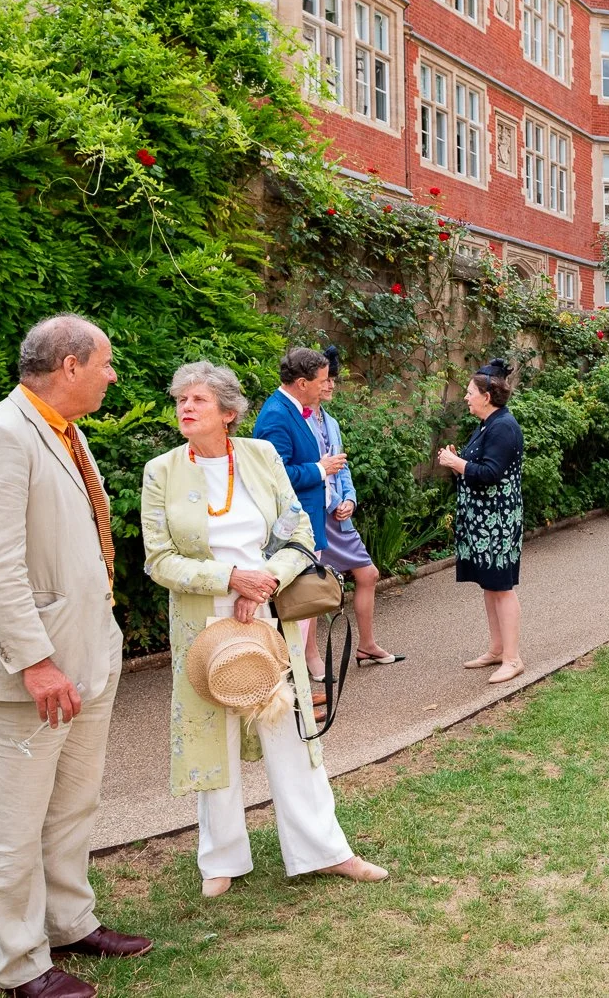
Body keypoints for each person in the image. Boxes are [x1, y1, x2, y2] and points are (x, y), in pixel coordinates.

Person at [0, 314, 151, 998]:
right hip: (28, 676)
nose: (113, 374)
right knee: (15, 824)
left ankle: (69, 922)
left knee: (72, 808)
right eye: (106, 363)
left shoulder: (68, 435)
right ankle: (22, 964)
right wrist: (35, 659)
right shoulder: (0, 437)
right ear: (70, 366)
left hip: (87, 659)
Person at [140, 361, 387, 899]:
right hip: (204, 625)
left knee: (291, 734)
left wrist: (266, 582)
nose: (185, 406)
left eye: (199, 399)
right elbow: (158, 560)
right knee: (215, 742)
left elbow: (299, 530)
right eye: (181, 398)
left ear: (228, 413)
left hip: (268, 617)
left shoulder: (261, 456)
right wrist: (229, 578)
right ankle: (220, 859)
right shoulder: (161, 471)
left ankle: (325, 850)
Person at [252, 347, 347, 688]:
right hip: (294, 528)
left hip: (310, 522)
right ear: (303, 382)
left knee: (305, 606)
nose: (327, 386)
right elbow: (274, 476)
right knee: (298, 604)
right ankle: (291, 685)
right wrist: (321, 469)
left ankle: (301, 678)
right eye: (322, 380)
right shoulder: (277, 415)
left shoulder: (294, 409)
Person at [437, 359, 527, 684]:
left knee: (501, 587)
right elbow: (480, 465)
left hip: (497, 523)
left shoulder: (504, 426)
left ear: (487, 396)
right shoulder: (489, 424)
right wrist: (458, 462)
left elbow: (491, 474)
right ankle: (497, 649)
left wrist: (456, 462)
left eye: (471, 392)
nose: (466, 397)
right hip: (483, 523)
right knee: (489, 586)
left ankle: (513, 658)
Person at [313, 346, 402, 667]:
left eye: (333, 379)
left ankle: (366, 645)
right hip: (316, 516)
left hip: (339, 517)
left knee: (368, 574)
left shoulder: (332, 422)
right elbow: (313, 470)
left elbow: (342, 466)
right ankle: (306, 658)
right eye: (325, 380)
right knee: (310, 589)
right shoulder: (302, 420)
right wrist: (336, 501)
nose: (331, 385)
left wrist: (349, 499)